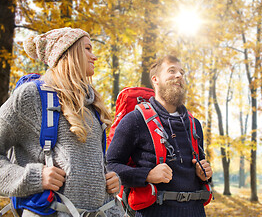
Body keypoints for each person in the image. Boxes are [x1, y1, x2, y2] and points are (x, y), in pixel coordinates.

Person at [0, 27, 123, 216]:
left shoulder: (93, 106)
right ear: (67, 53)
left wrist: (109, 179)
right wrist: (33, 177)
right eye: (88, 49)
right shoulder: (31, 96)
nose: (94, 56)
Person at [106, 55, 213, 217]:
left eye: (182, 73)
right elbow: (110, 166)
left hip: (196, 211)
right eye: (172, 71)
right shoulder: (135, 120)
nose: (179, 76)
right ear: (155, 80)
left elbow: (199, 168)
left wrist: (204, 173)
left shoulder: (194, 124)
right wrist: (147, 174)